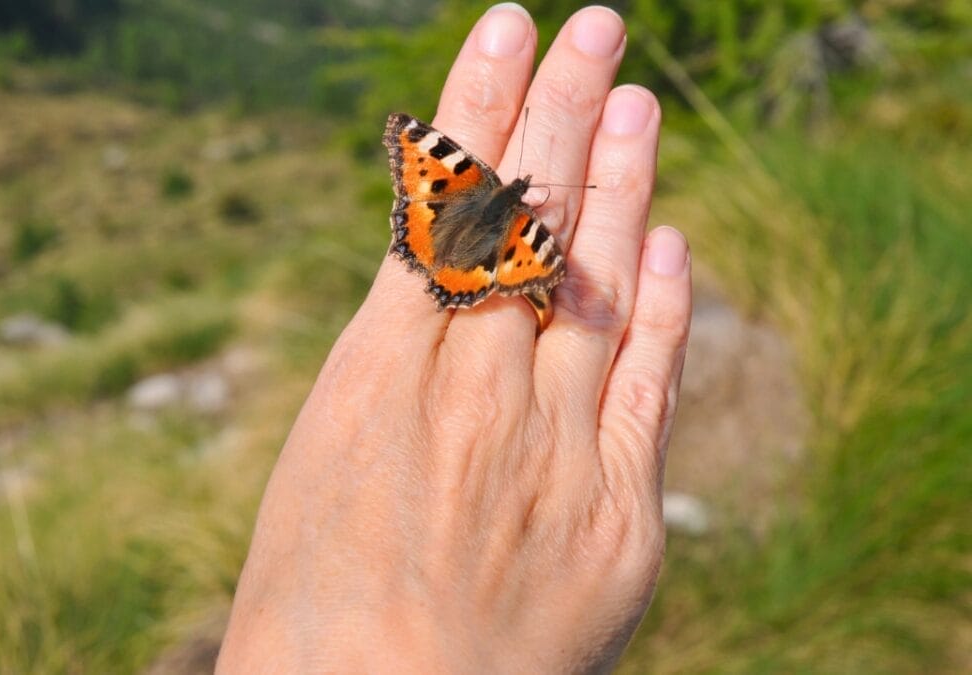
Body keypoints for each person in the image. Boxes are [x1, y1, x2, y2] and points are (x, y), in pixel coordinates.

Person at [218, 4, 691, 671]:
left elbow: (436, 167)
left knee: (444, 227)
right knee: (487, 256)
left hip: (434, 220)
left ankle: (436, 261)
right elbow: (530, 255)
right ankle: (449, 274)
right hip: (477, 258)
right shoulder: (527, 232)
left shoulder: (464, 174)